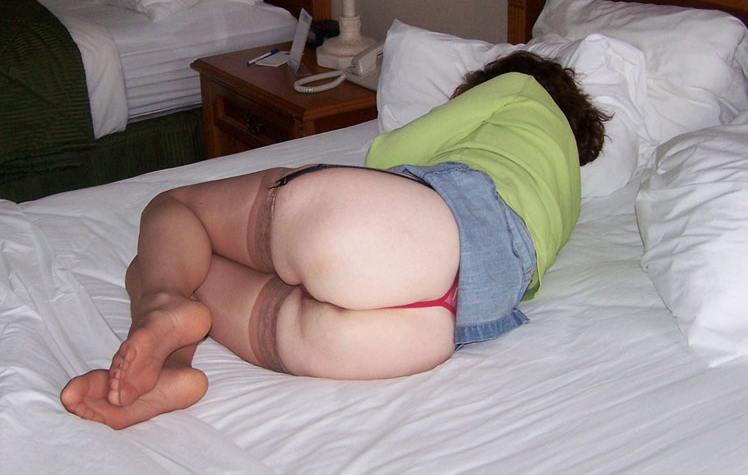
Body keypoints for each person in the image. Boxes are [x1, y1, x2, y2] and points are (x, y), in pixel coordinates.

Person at [60, 50, 607, 429]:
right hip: (443, 326)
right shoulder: (570, 199)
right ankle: (172, 369)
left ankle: (162, 304)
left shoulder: (522, 89)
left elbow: (387, 153)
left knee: (175, 211)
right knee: (153, 265)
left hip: (420, 232)